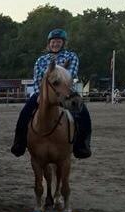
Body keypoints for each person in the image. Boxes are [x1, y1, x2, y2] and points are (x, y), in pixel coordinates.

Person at [10, 29, 92, 159]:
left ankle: (82, 145)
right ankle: (19, 142)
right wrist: (44, 91)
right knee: (24, 113)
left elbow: (69, 75)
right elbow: (38, 78)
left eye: (59, 42)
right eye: (53, 42)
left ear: (63, 43)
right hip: (42, 93)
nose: (55, 44)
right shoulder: (41, 60)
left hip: (66, 92)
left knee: (83, 113)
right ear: (49, 43)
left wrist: (53, 75)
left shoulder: (71, 56)